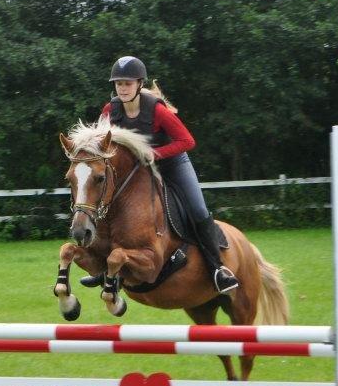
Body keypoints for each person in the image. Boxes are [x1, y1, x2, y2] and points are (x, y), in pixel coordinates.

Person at [81, 56, 239, 293]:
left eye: (128, 83)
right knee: (104, 203)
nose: (122, 88)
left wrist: (154, 154)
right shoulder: (109, 110)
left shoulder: (157, 111)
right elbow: (101, 145)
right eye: (119, 84)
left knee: (197, 209)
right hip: (137, 170)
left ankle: (218, 268)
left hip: (172, 164)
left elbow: (187, 141)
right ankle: (104, 267)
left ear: (139, 84)